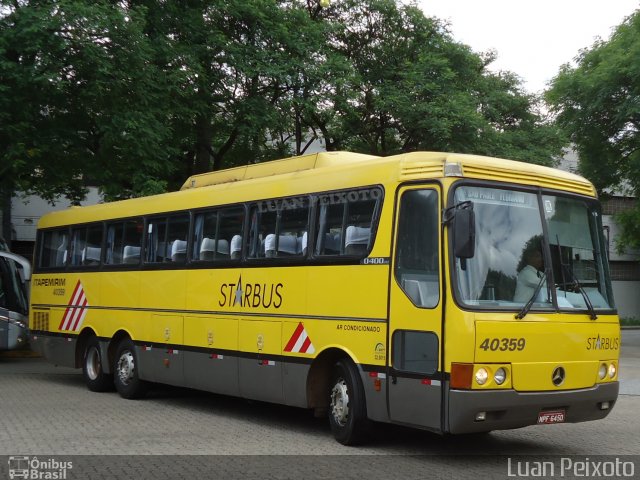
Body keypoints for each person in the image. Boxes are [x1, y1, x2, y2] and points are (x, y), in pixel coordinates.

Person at [514, 236, 546, 302]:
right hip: (519, 309)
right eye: (537, 256)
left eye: (541, 257)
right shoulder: (525, 273)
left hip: (536, 309)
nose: (541, 259)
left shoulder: (541, 274)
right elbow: (545, 286)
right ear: (529, 258)